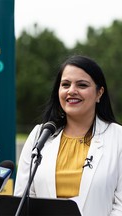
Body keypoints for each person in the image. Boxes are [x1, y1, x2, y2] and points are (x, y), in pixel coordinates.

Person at [14, 55, 122, 216]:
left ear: (99, 93)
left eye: (82, 85)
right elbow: (23, 199)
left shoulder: (118, 137)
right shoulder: (40, 135)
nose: (72, 91)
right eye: (65, 85)